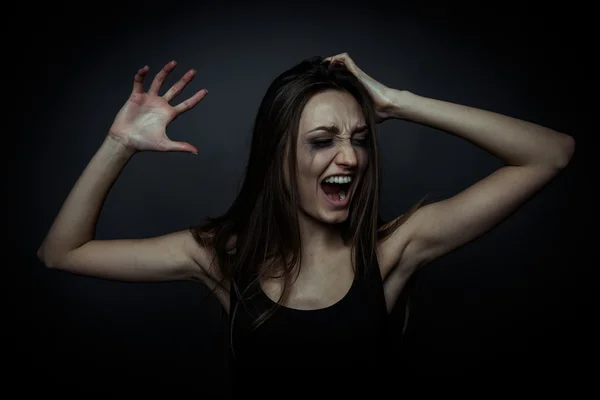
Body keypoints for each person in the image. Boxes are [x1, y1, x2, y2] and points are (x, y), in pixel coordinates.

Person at [37, 54, 575, 372]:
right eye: (323, 140)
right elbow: (62, 253)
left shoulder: (392, 250)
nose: (349, 156)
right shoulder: (223, 257)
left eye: (360, 139)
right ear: (279, 156)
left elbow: (551, 153)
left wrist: (396, 101)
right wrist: (119, 143)